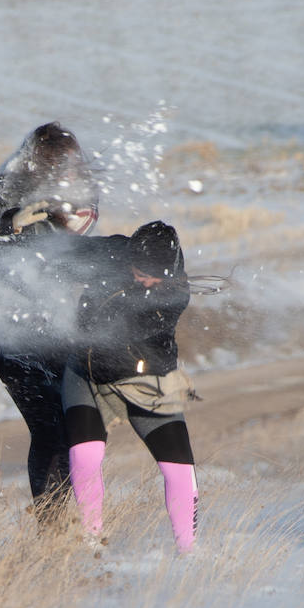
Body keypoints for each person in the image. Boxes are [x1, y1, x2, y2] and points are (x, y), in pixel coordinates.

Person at [0, 122, 99, 525]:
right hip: (10, 326)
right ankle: (51, 525)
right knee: (48, 428)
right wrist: (11, 220)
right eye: (54, 164)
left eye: (69, 165)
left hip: (60, 324)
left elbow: (84, 236)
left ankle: (69, 520)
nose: (64, 172)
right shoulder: (11, 183)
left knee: (75, 428)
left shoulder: (84, 188)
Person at [61, 220, 198, 554]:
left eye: (149, 275)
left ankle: (189, 552)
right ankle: (93, 545)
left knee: (178, 468)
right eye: (136, 269)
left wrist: (117, 295)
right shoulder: (111, 251)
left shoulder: (174, 295)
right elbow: (60, 253)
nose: (141, 278)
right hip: (87, 373)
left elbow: (122, 327)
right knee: (85, 453)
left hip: (147, 382)